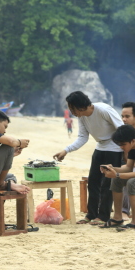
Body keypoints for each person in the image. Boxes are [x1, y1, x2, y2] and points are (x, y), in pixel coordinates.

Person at [53, 91, 123, 226]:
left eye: (72, 108)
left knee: (107, 184)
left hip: (115, 148)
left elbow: (122, 129)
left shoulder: (103, 110)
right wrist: (66, 150)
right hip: (100, 147)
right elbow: (82, 137)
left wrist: (126, 150)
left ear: (80, 106)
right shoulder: (82, 117)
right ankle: (91, 214)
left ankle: (103, 216)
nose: (71, 112)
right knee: (93, 182)